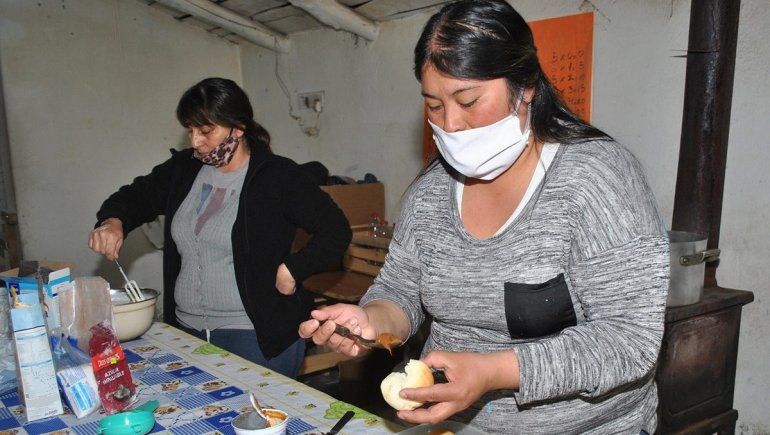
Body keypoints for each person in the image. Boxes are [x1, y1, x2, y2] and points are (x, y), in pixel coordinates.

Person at [299, 0, 669, 432]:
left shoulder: (595, 178)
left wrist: (493, 370)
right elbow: (401, 291)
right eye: (434, 106)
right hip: (462, 425)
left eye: (468, 100)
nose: (450, 125)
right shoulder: (432, 191)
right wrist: (371, 319)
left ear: (526, 85)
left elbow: (629, 341)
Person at [89, 77, 352, 379]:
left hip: (254, 337)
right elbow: (134, 197)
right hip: (188, 332)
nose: (195, 142)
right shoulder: (184, 170)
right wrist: (113, 222)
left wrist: (293, 269)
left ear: (238, 128)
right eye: (190, 131)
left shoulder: (278, 177)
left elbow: (336, 230)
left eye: (205, 131)